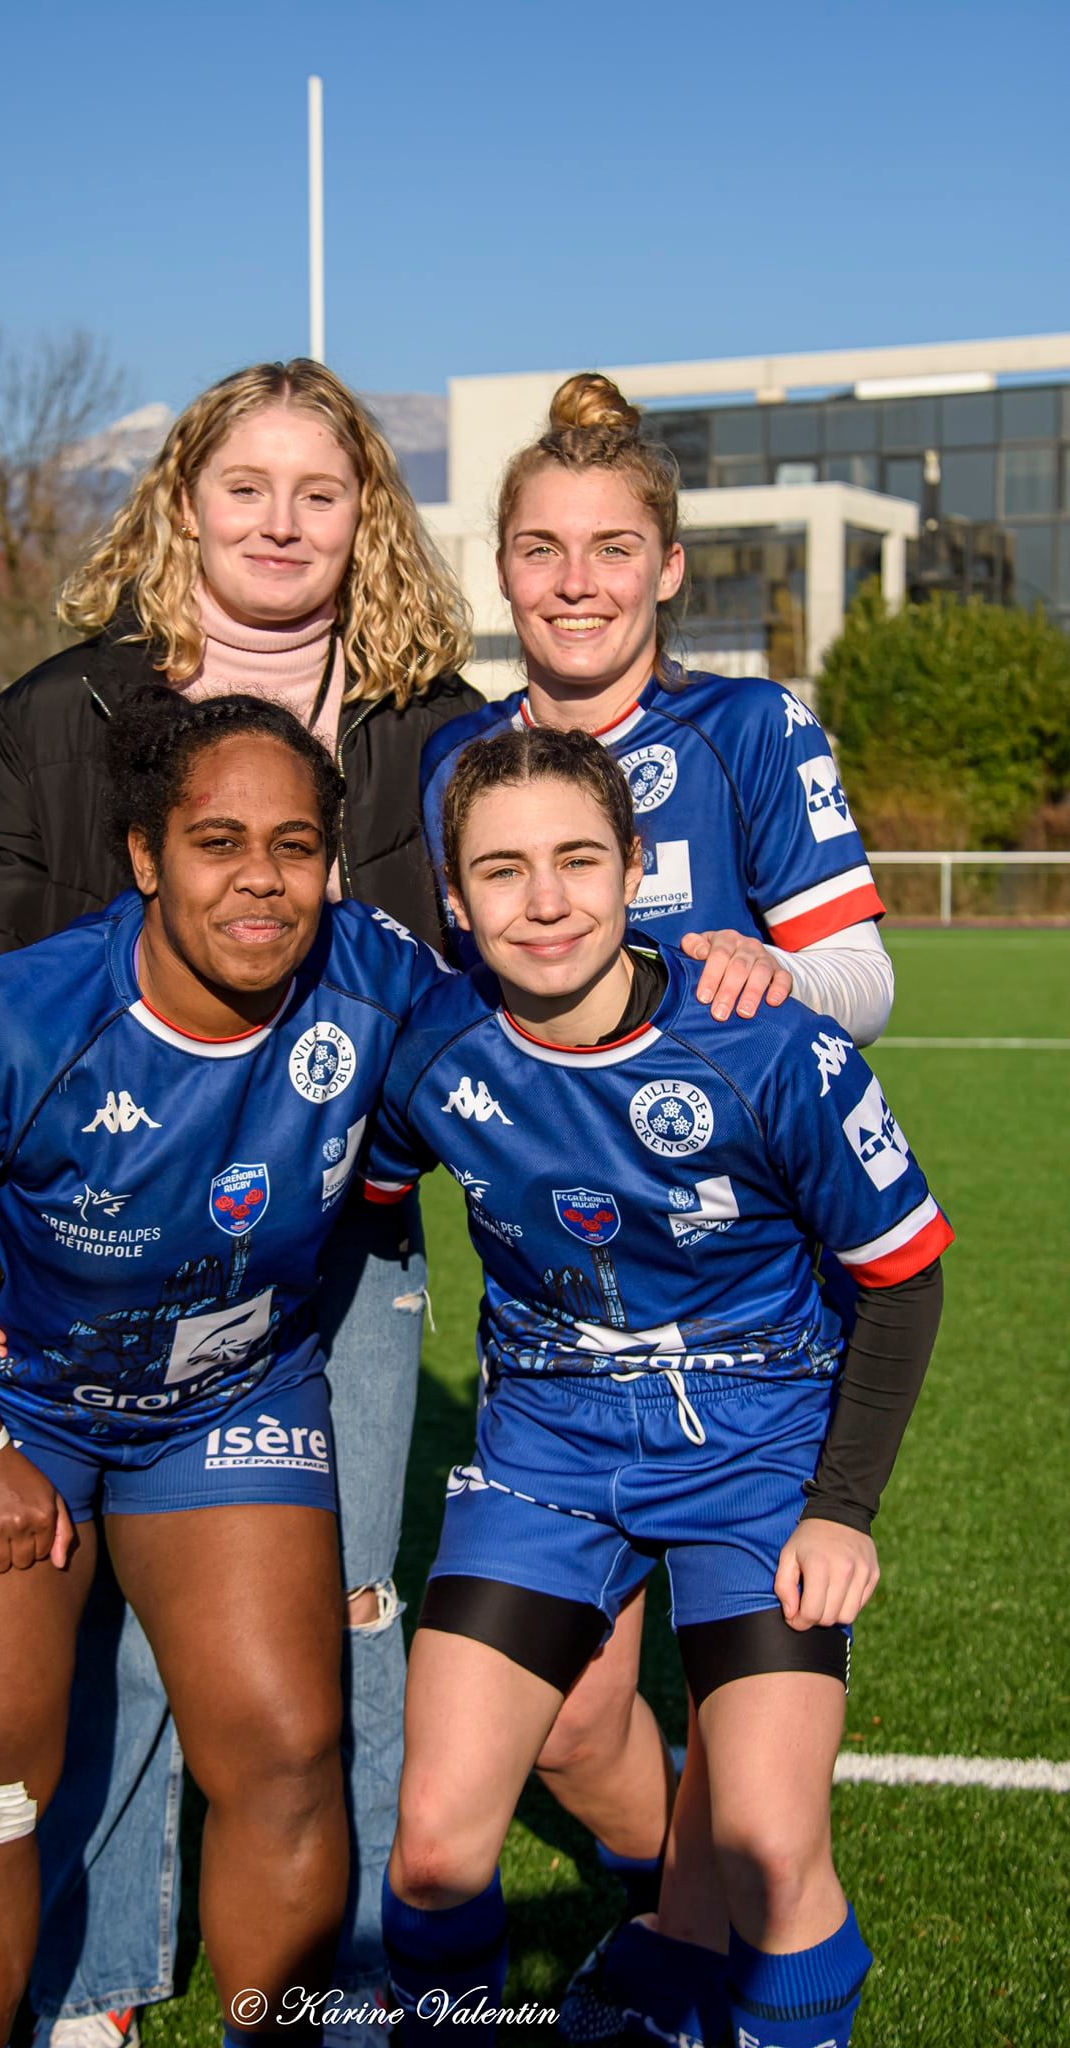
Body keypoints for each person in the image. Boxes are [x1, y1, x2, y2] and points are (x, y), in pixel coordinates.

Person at [0, 360, 478, 2047]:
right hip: (70, 1238)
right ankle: (94, 1985)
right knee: (58, 1647)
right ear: (181, 505)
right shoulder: (66, 711)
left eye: (322, 491)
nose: (283, 522)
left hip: (324, 1235)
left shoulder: (431, 724)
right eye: (247, 487)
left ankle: (321, 2001)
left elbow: (502, 950)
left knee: (324, 1632)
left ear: (368, 515)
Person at [0, 693, 456, 2048]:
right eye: (217, 841)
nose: (261, 879)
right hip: (9, 1401)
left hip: (225, 1403)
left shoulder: (375, 977)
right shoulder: (22, 1024)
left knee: (281, 1753)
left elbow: (519, 1055)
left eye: (294, 843)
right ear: (145, 856)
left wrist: (692, 978)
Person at [416, 373, 898, 2043]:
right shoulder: (457, 764)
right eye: (539, 549)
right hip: (563, 1329)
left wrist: (781, 978)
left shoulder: (750, 732)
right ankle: (681, 1920)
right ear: (500, 568)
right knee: (568, 1723)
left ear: (668, 567)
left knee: (745, 1751)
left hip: (749, 1308)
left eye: (610, 548)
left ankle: (717, 1933)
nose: (573, 581)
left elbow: (860, 970)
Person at [367, 725, 951, 2048]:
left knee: (766, 1849)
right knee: (435, 1854)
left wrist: (839, 1509)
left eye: (579, 859)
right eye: (502, 871)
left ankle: (727, 1976)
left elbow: (902, 1276)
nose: (549, 900)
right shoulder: (431, 1050)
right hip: (546, 1460)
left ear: (637, 869)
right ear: (454, 902)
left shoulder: (762, 1046)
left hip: (757, 1459)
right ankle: (650, 1952)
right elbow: (356, 1202)